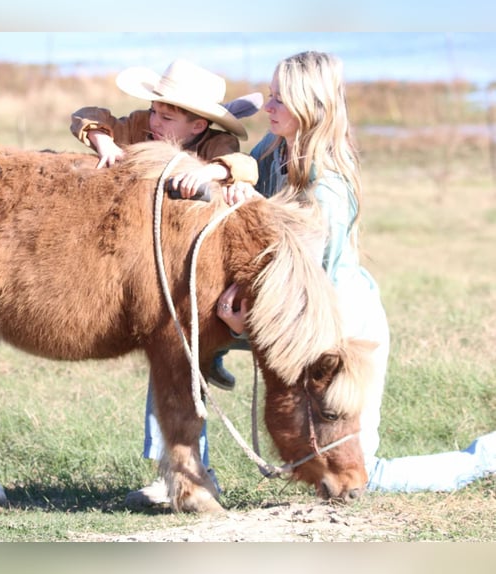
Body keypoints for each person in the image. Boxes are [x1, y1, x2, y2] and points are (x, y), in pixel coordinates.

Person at [209, 50, 496, 494]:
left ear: (310, 106)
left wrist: (247, 330)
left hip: (342, 330)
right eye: (270, 95)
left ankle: (486, 457)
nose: (269, 107)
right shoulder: (271, 152)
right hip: (302, 321)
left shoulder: (326, 189)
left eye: (279, 100)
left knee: (366, 474)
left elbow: (321, 292)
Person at [70, 59, 262, 506]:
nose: (155, 122)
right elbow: (88, 116)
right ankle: (172, 463)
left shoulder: (217, 142)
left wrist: (214, 172)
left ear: (198, 125)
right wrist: (103, 141)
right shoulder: (141, 126)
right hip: (145, 249)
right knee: (172, 348)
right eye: (154, 110)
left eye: (167, 116)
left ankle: (208, 373)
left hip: (191, 263)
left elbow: (243, 165)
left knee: (188, 343)